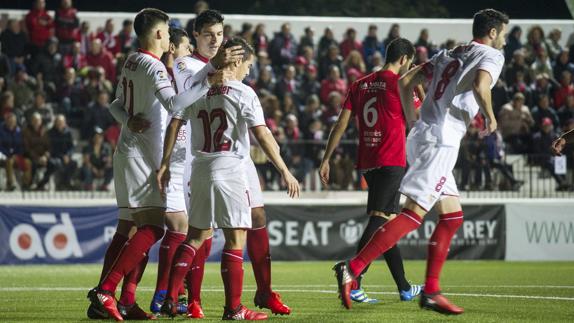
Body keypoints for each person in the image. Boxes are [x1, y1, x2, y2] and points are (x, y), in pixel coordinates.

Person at [332, 9, 509, 315]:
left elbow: (406, 80)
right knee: (413, 213)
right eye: (503, 33)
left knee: (452, 217)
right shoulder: (492, 55)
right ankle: (353, 267)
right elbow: (481, 86)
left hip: (423, 136)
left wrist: (415, 120)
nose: (504, 39)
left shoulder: (449, 52)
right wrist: (491, 119)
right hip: (441, 140)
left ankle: (431, 291)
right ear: (492, 32)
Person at [87, 8, 242, 321]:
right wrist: (210, 78)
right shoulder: (153, 65)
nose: (172, 37)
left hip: (130, 152)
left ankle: (120, 300)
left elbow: (115, 104)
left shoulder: (132, 60)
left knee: (130, 229)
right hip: (143, 157)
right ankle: (106, 291)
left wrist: (129, 121)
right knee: (154, 226)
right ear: (159, 34)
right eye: (168, 32)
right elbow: (174, 104)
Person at [157, 37, 300, 320]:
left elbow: (175, 120)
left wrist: (164, 162)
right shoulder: (243, 92)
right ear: (236, 61)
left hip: (199, 169)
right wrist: (284, 168)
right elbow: (262, 134)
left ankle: (171, 298)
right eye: (247, 64)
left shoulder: (199, 90)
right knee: (235, 240)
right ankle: (233, 309)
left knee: (195, 237)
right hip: (230, 171)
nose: (249, 70)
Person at [320, 37, 423, 304]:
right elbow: (420, 119)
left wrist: (327, 158)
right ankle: (353, 277)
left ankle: (403, 287)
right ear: (404, 60)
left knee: (386, 223)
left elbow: (341, 124)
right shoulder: (401, 85)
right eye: (409, 64)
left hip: (368, 160)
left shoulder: (360, 84)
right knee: (380, 219)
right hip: (391, 159)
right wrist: (420, 88)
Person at [148, 26, 193, 317]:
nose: (189, 52)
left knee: (178, 229)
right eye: (187, 47)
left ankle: (172, 294)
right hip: (167, 163)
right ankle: (164, 293)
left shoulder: (179, 78)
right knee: (179, 228)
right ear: (173, 49)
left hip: (182, 163)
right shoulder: (163, 75)